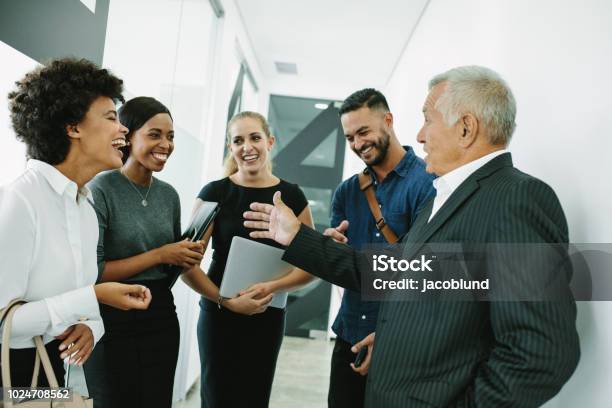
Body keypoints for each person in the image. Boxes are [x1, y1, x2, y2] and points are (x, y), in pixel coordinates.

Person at [244, 66, 581, 407]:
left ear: (465, 128)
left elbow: (541, 352)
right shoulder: (444, 196)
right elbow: (389, 273)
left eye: (427, 120)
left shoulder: (517, 198)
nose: (419, 136)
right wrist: (297, 236)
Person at [0, 58, 152, 388]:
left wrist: (91, 327)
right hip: (10, 375)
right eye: (111, 117)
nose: (123, 128)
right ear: (73, 127)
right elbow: (3, 324)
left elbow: (82, 309)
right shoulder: (19, 202)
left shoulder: (85, 207)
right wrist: (94, 296)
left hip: (50, 373)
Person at [83, 97, 204, 408]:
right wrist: (162, 254)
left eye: (171, 136)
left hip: (161, 315)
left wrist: (185, 256)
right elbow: (94, 272)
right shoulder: (101, 189)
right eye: (155, 134)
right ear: (128, 135)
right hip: (111, 315)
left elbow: (167, 270)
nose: (165, 144)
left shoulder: (169, 195)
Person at [193, 111, 315, 407]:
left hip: (266, 316)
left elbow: (312, 265)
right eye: (238, 140)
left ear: (269, 141)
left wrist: (272, 288)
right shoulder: (214, 193)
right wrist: (225, 300)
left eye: (255, 137)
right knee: (217, 398)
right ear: (230, 148)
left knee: (254, 398)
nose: (247, 146)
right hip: (219, 314)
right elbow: (186, 264)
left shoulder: (291, 196)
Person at [323, 88, 434, 408]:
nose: (357, 144)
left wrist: (391, 338)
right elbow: (342, 269)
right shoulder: (347, 192)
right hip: (348, 336)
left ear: (388, 120)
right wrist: (333, 247)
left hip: (400, 342)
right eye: (349, 138)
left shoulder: (427, 183)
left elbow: (426, 275)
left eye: (363, 132)